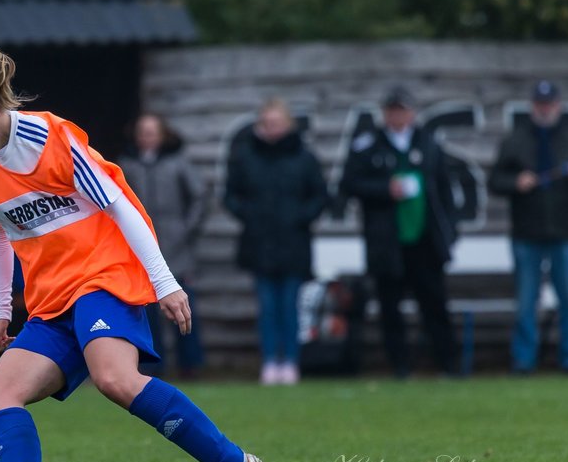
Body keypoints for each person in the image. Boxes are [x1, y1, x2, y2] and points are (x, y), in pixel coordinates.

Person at [0, 48, 265, 462]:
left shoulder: (50, 136)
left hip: (104, 275)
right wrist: (1, 310)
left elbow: (119, 207)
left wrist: (165, 283)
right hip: (53, 296)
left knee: (114, 379)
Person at [340, 87, 459, 378]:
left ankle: (449, 365)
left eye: (402, 110)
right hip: (387, 243)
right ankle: (400, 366)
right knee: (390, 309)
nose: (397, 115)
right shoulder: (368, 145)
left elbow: (445, 191)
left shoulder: (429, 144)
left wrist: (450, 232)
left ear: (412, 113)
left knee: (434, 305)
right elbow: (349, 184)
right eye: (391, 110)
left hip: (424, 241)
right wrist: (385, 189)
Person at [488, 80, 568, 374]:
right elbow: (495, 182)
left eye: (549, 103)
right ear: (532, 107)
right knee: (526, 303)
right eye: (540, 104)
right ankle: (524, 361)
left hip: (564, 233)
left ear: (558, 106)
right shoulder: (515, 140)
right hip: (527, 234)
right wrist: (517, 182)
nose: (545, 109)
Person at [222, 100, 327, 385]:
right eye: (267, 123)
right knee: (267, 307)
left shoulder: (304, 158)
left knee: (290, 306)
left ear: (288, 125)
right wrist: (249, 215)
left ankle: (291, 362)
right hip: (259, 244)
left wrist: (299, 217)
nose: (272, 129)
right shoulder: (246, 156)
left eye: (277, 123)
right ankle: (270, 362)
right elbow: (231, 195)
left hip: (293, 243)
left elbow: (319, 195)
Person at [118, 113, 210, 379]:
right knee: (146, 309)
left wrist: (186, 228)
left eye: (152, 131)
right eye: (142, 132)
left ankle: (190, 364)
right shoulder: (127, 165)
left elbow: (200, 196)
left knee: (182, 303)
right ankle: (152, 363)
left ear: (162, 134)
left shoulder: (178, 163)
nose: (147, 137)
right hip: (140, 248)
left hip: (176, 247)